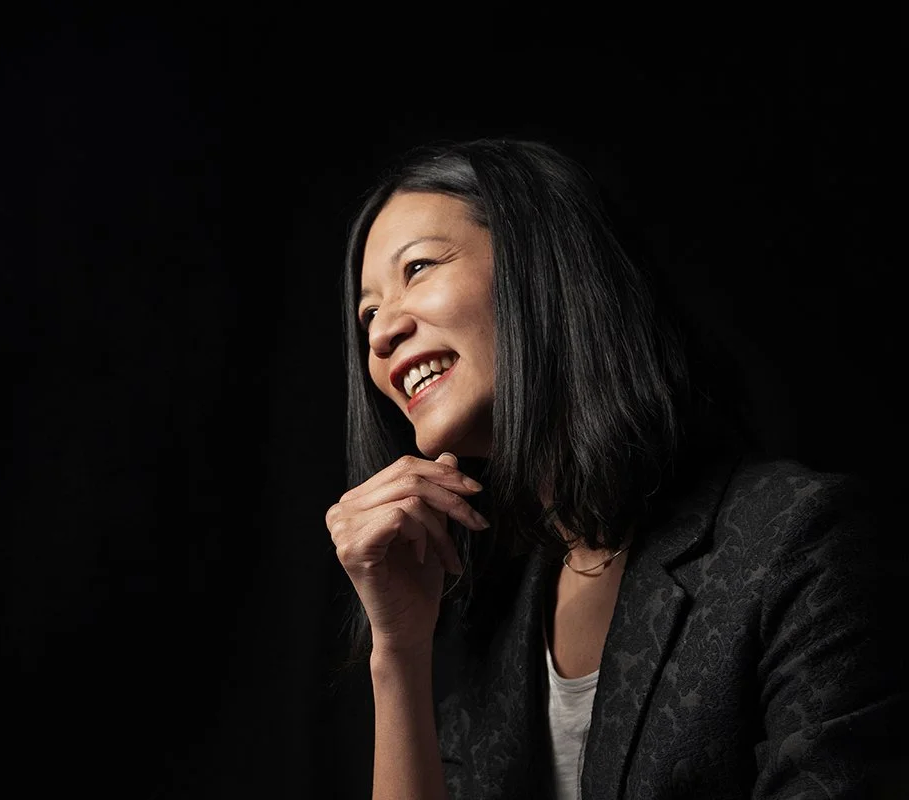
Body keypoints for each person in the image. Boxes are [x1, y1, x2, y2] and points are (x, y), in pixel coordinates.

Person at [325, 138, 906, 799]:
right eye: (368, 313)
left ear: (542, 264)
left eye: (418, 268)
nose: (380, 335)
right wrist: (399, 651)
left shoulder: (799, 541)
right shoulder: (489, 599)